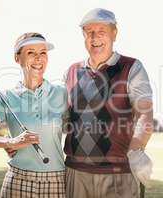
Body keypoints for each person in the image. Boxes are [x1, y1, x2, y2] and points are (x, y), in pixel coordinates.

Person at [63, 8, 154, 198]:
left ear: (114, 34)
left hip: (117, 175)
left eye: (102, 31)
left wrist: (137, 150)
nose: (95, 37)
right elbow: (62, 120)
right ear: (84, 36)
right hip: (75, 173)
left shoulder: (131, 67)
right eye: (90, 32)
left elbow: (144, 114)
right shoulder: (71, 71)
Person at [0, 32, 68, 198]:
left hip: (55, 179)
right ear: (17, 58)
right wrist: (10, 142)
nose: (38, 58)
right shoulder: (6, 97)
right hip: (18, 179)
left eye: (43, 52)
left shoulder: (62, 93)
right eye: (31, 53)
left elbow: (78, 130)